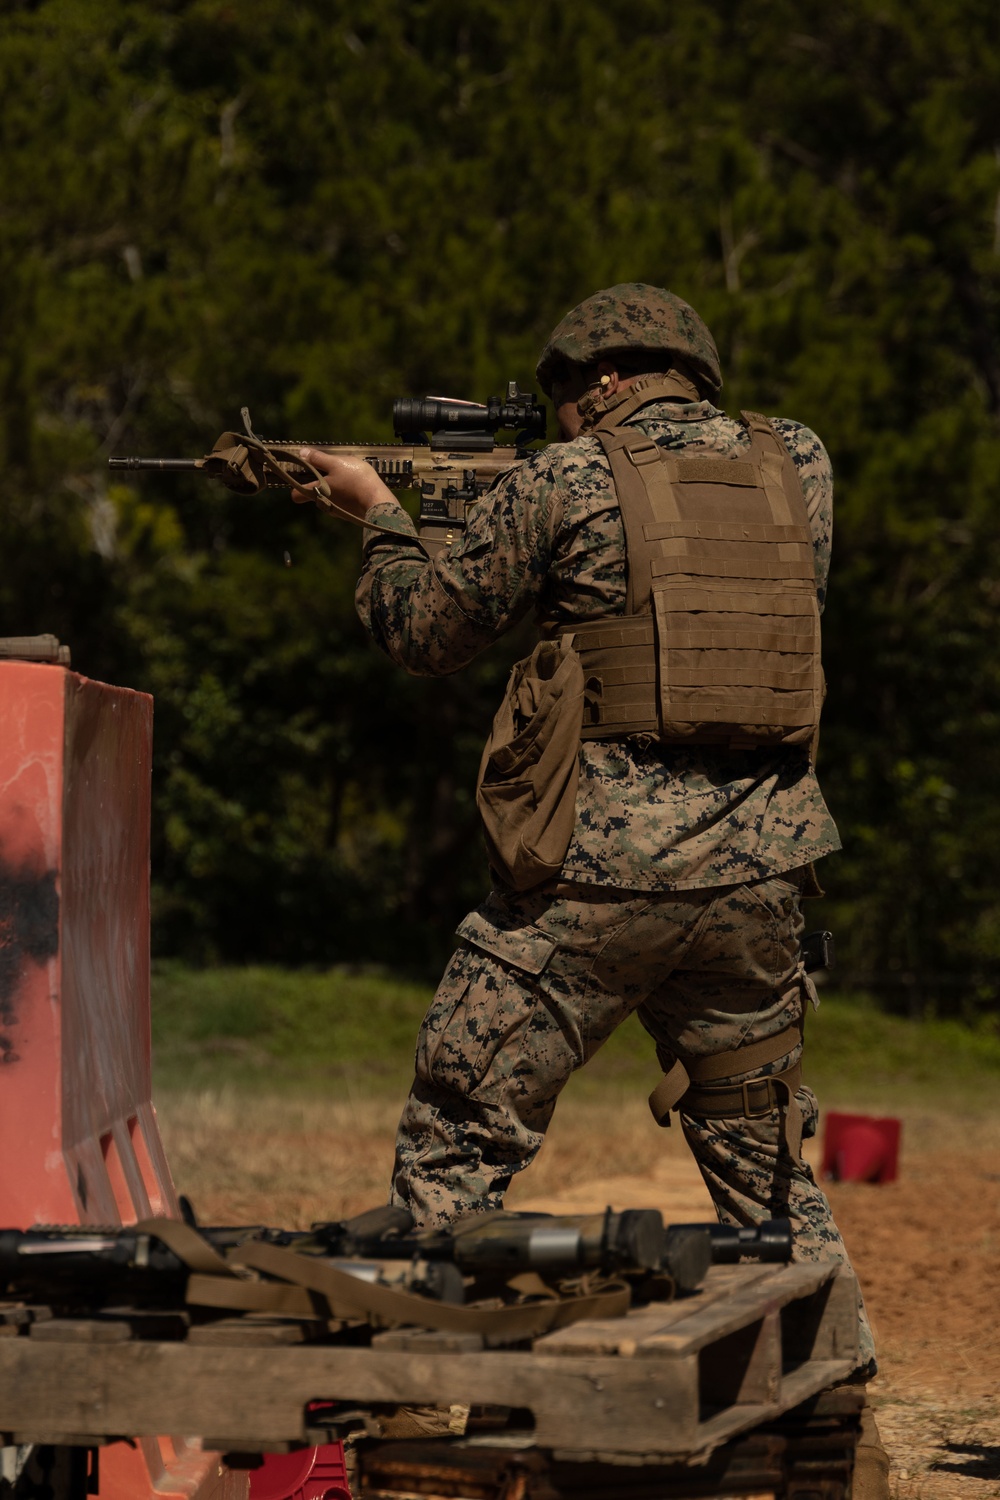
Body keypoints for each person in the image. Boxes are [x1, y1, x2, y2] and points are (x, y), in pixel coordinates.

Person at [294, 284, 887, 1498]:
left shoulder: (561, 480)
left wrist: (380, 514)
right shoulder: (799, 466)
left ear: (590, 381)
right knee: (760, 1146)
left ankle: (414, 1408)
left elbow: (423, 630)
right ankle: (829, 1385)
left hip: (593, 882)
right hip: (764, 875)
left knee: (459, 1130)